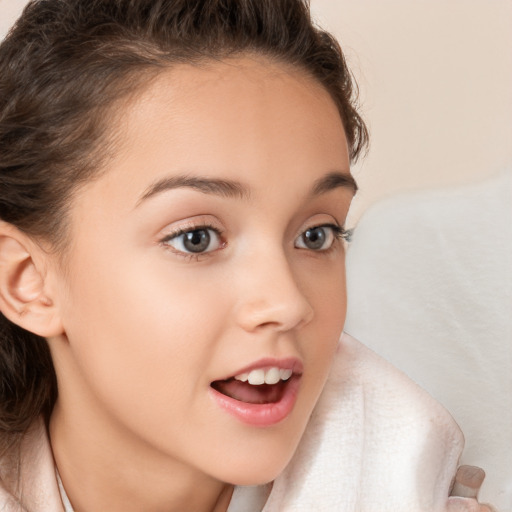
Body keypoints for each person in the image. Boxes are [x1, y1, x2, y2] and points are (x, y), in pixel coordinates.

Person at [0, 1, 495, 510]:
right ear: (27, 281)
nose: (287, 303)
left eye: (317, 234)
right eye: (196, 238)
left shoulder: (410, 481)